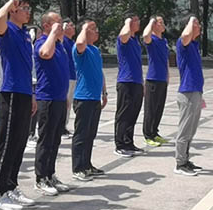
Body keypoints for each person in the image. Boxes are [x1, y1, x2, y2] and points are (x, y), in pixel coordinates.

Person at [0, 0, 38, 210]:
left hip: (24, 92)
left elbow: (28, 67)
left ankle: (11, 186)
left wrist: (32, 94)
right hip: (10, 92)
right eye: (24, 8)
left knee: (19, 143)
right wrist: (10, 2)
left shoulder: (25, 34)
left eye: (28, 8)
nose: (28, 12)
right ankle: (0, 192)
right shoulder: (7, 30)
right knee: (7, 143)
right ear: (13, 11)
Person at [32, 12, 72, 196]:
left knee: (55, 139)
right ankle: (40, 178)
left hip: (59, 98)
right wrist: (53, 33)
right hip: (47, 98)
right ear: (47, 25)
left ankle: (50, 174)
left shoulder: (59, 45)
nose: (61, 25)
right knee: (46, 139)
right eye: (57, 22)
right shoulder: (42, 42)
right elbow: (45, 54)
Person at [71, 20, 108, 182]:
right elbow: (80, 42)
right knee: (81, 134)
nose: (97, 31)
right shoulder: (80, 49)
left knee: (90, 134)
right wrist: (85, 28)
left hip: (94, 97)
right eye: (93, 29)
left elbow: (100, 72)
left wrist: (104, 92)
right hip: (83, 97)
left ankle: (87, 165)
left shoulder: (95, 50)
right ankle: (78, 168)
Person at [174, 16, 205, 177]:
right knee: (184, 130)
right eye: (195, 24)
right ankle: (180, 163)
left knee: (191, 131)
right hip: (187, 93)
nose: (198, 26)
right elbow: (185, 35)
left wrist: (201, 95)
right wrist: (191, 20)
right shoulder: (182, 43)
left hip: (196, 92)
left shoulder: (194, 45)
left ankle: (185, 160)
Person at [114, 14, 144, 157]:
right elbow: (124, 34)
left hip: (137, 81)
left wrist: (142, 83)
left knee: (133, 114)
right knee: (123, 114)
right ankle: (120, 144)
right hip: (126, 81)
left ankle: (128, 142)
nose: (139, 22)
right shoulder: (123, 38)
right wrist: (127, 22)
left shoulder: (135, 40)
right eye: (136, 20)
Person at [142, 16, 170, 146]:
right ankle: (148, 135)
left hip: (162, 78)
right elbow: (145, 36)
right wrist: (151, 21)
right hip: (153, 79)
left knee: (159, 108)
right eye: (160, 22)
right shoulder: (151, 40)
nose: (163, 24)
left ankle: (154, 132)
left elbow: (166, 59)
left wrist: (168, 75)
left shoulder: (164, 41)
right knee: (150, 109)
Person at [61, 19, 77, 138]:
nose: (73, 27)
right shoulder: (63, 40)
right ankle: (60, 128)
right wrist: (62, 29)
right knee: (64, 103)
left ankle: (64, 126)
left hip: (73, 76)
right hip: (66, 77)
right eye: (70, 25)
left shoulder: (72, 42)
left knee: (69, 103)